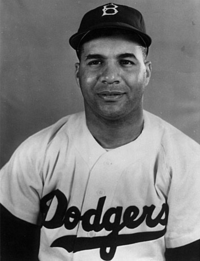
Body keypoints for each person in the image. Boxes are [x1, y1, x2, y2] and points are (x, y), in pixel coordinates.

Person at [0, 2, 200, 261]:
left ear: (147, 72)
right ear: (78, 72)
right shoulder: (38, 151)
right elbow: (9, 248)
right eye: (95, 62)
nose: (110, 76)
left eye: (126, 62)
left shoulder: (187, 159)